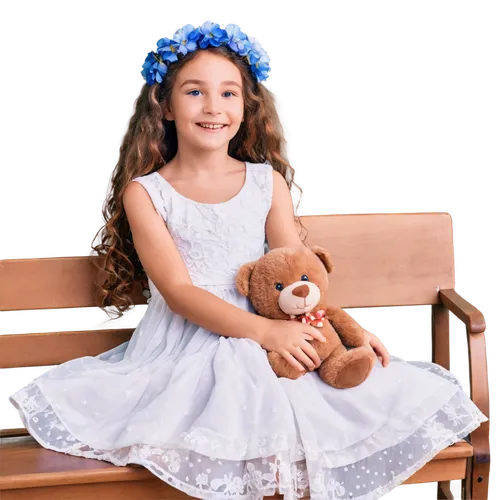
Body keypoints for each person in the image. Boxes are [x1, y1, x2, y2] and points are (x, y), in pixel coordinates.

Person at [7, 19, 489, 500]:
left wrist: (349, 330)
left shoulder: (266, 183)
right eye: (195, 92)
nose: (213, 107)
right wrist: (264, 332)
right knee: (233, 405)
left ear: (246, 106)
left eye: (229, 93)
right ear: (166, 106)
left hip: (269, 327)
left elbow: (296, 274)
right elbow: (177, 292)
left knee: (310, 408)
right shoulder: (147, 193)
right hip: (189, 341)